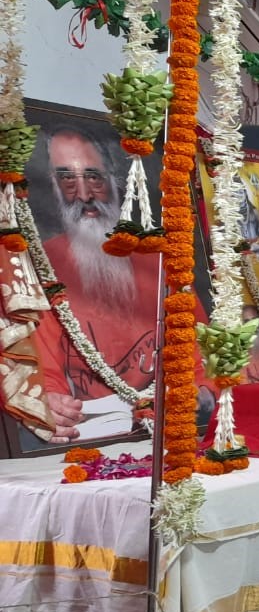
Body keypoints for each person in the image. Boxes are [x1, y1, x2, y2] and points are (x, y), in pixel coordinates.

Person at [26, 126, 215, 443]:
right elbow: (43, 375)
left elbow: (202, 356)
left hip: (176, 433)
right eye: (67, 179)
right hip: (93, 440)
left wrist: (203, 393)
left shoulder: (160, 261)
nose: (84, 194)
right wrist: (50, 405)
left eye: (93, 177)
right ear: (54, 187)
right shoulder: (42, 266)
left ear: (114, 180)